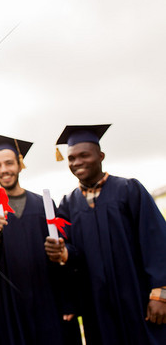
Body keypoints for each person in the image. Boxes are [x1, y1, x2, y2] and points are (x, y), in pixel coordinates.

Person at [46, 124, 166, 345]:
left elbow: (156, 240)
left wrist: (160, 293)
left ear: (100, 156)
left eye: (84, 155)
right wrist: (62, 252)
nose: (77, 163)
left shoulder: (129, 190)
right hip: (97, 305)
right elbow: (73, 253)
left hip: (138, 298)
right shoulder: (68, 204)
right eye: (71, 158)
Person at [0, 134, 80, 345]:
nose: (3, 170)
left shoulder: (42, 204)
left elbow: (67, 251)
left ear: (20, 165)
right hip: (5, 302)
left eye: (9, 163)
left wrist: (67, 300)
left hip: (46, 299)